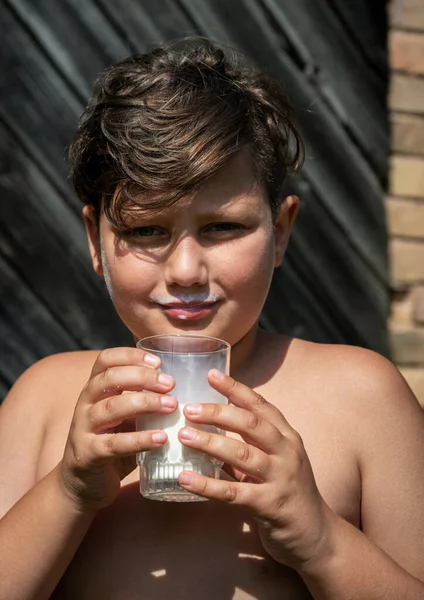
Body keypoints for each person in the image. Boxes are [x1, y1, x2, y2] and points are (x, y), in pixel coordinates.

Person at [0, 36, 423, 600]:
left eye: (223, 228)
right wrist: (70, 490)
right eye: (146, 230)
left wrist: (322, 542)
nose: (185, 270)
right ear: (94, 240)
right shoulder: (45, 400)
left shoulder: (363, 397)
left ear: (282, 231)